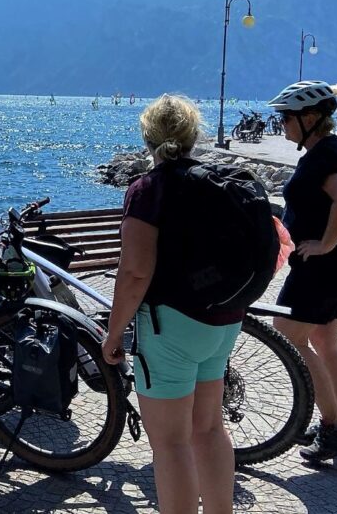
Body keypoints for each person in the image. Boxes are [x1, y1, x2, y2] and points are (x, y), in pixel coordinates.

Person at [102, 94, 243, 514]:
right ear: (193, 136)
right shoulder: (218, 181)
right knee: (209, 428)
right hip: (224, 319)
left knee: (171, 443)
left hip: (171, 328)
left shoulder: (149, 190)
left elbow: (135, 273)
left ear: (148, 139)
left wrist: (113, 334)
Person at [267, 80, 337, 461]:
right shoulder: (331, 149)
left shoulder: (323, 158)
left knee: (287, 334)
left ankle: (335, 429)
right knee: (327, 342)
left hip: (323, 269)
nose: (281, 124)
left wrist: (325, 244)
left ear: (309, 117)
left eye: (286, 117)